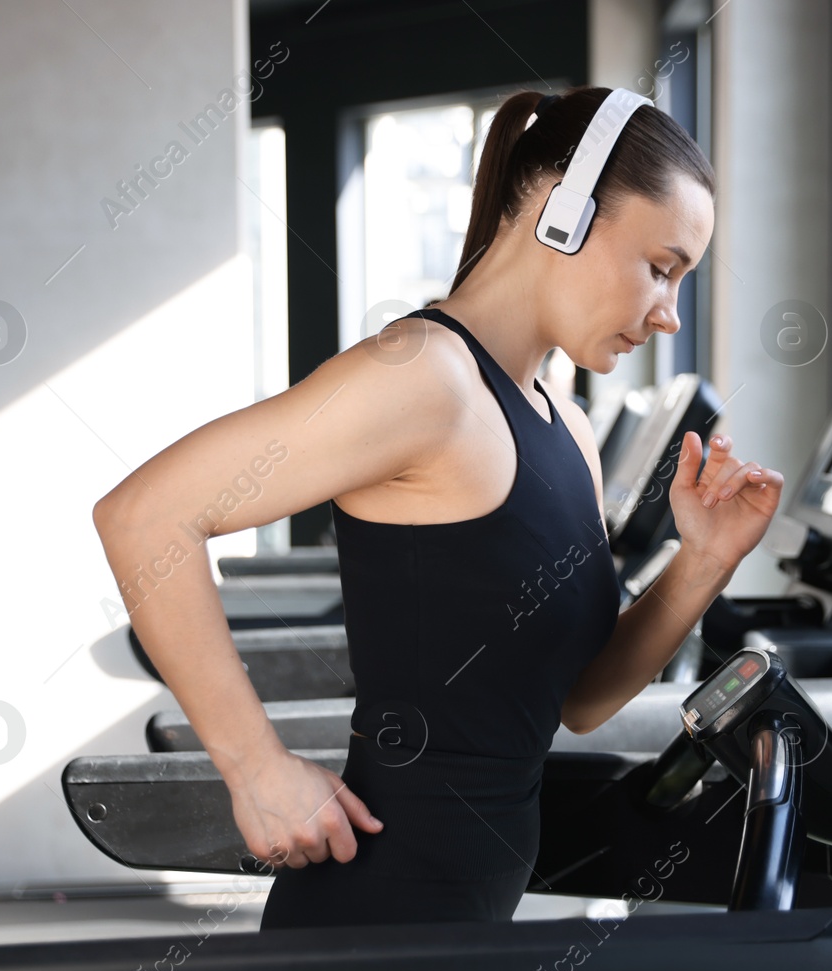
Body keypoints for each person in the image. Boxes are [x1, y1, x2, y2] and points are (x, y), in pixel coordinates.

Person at [92, 85, 784, 927]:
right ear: (562, 209)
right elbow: (143, 516)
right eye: (661, 267)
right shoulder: (424, 377)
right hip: (376, 920)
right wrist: (256, 769)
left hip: (468, 925)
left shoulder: (566, 427)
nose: (670, 313)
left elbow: (581, 699)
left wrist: (705, 558)